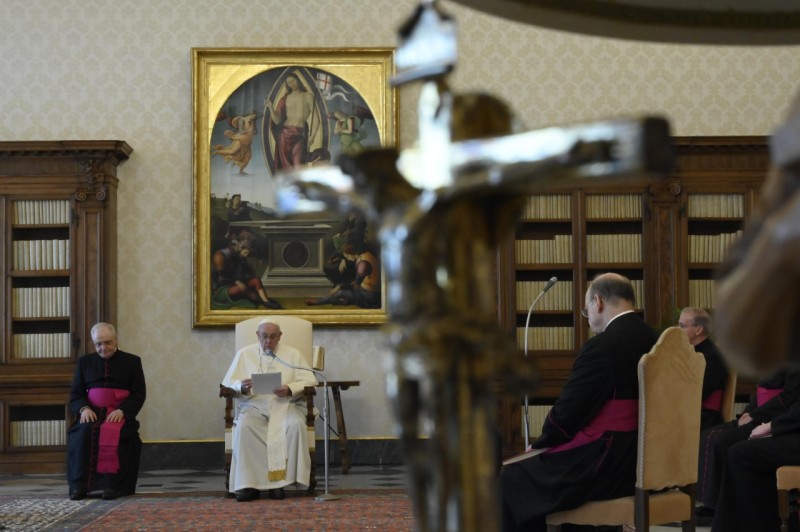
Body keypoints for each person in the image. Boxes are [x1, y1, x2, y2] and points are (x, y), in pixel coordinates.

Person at [499, 273, 659, 532]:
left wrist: (540, 444)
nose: (588, 318)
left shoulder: (602, 346)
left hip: (608, 463)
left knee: (512, 478)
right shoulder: (657, 340)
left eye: (586, 311)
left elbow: (566, 415)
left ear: (598, 301)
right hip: (647, 462)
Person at [221, 319, 318, 502]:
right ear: (257, 335)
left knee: (295, 425)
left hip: (285, 405)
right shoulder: (244, 354)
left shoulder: (293, 355)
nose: (268, 341)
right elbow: (228, 384)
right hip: (253, 406)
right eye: (264, 336)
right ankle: (248, 485)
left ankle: (280, 484)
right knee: (245, 427)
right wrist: (242, 386)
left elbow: (309, 381)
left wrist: (289, 388)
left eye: (273, 337)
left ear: (280, 336)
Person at [695, 363, 800, 525]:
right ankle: (716, 509)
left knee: (736, 450)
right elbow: (761, 391)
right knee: (719, 440)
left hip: (780, 419)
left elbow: (790, 399)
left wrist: (771, 425)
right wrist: (750, 413)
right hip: (778, 421)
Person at [66, 322, 146, 501]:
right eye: (98, 344)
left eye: (107, 342)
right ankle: (79, 486)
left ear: (116, 339)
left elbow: (138, 394)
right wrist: (84, 409)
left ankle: (112, 486)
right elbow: (76, 394)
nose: (103, 347)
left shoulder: (132, 361)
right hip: (92, 413)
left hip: (118, 414)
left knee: (115, 432)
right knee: (82, 433)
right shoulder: (85, 362)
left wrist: (122, 410)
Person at [678, 307, 729, 432]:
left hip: (704, 419)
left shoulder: (712, 358)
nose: (678, 330)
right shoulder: (690, 352)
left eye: (682, 325)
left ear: (698, 330)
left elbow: (695, 393)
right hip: (689, 412)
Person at [211, 230, 282, 310]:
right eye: (244, 247)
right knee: (248, 294)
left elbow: (246, 273)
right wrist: (237, 282)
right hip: (222, 288)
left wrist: (243, 261)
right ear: (236, 243)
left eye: (247, 247)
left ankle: (266, 301)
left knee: (256, 280)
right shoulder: (220, 255)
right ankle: (257, 299)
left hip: (238, 284)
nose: (246, 250)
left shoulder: (239, 254)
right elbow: (222, 275)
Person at [267, 73, 320, 171]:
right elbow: (277, 121)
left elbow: (316, 119)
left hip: (299, 135)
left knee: (298, 165)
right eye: (289, 83)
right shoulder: (285, 98)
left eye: (293, 81)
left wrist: (312, 137)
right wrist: (270, 108)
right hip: (284, 135)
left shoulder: (308, 96)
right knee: (285, 169)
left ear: (298, 80)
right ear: (287, 85)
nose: (292, 84)